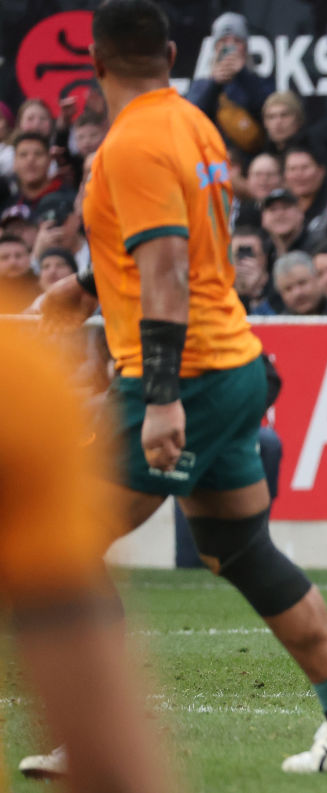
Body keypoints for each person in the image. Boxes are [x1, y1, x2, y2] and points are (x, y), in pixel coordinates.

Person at [25, 0, 327, 775]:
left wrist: (160, 398)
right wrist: (85, 290)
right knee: (240, 548)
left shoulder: (130, 144)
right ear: (168, 53)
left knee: (58, 545)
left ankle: (90, 738)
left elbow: (164, 269)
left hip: (183, 376)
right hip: (230, 367)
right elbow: (173, 248)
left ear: (94, 65)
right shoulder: (194, 126)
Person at [0, 313, 175, 793]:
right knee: (239, 548)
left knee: (81, 556)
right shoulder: (23, 374)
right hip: (196, 381)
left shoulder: (23, 375)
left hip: (176, 387)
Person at [186, 12, 272, 155]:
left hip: (250, 161)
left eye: (236, 41)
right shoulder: (202, 85)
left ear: (245, 47)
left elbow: (268, 108)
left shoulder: (260, 81)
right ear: (215, 48)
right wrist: (215, 84)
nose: (230, 46)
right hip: (213, 160)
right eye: (224, 41)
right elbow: (193, 117)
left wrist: (243, 74)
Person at [274, 250, 327, 315]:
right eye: (288, 289)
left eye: (302, 283)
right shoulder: (279, 323)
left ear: (317, 279)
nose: (297, 293)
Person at [0, 232, 41, 310]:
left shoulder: (42, 287)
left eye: (18, 256)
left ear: (29, 258)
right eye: (5, 257)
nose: (13, 262)